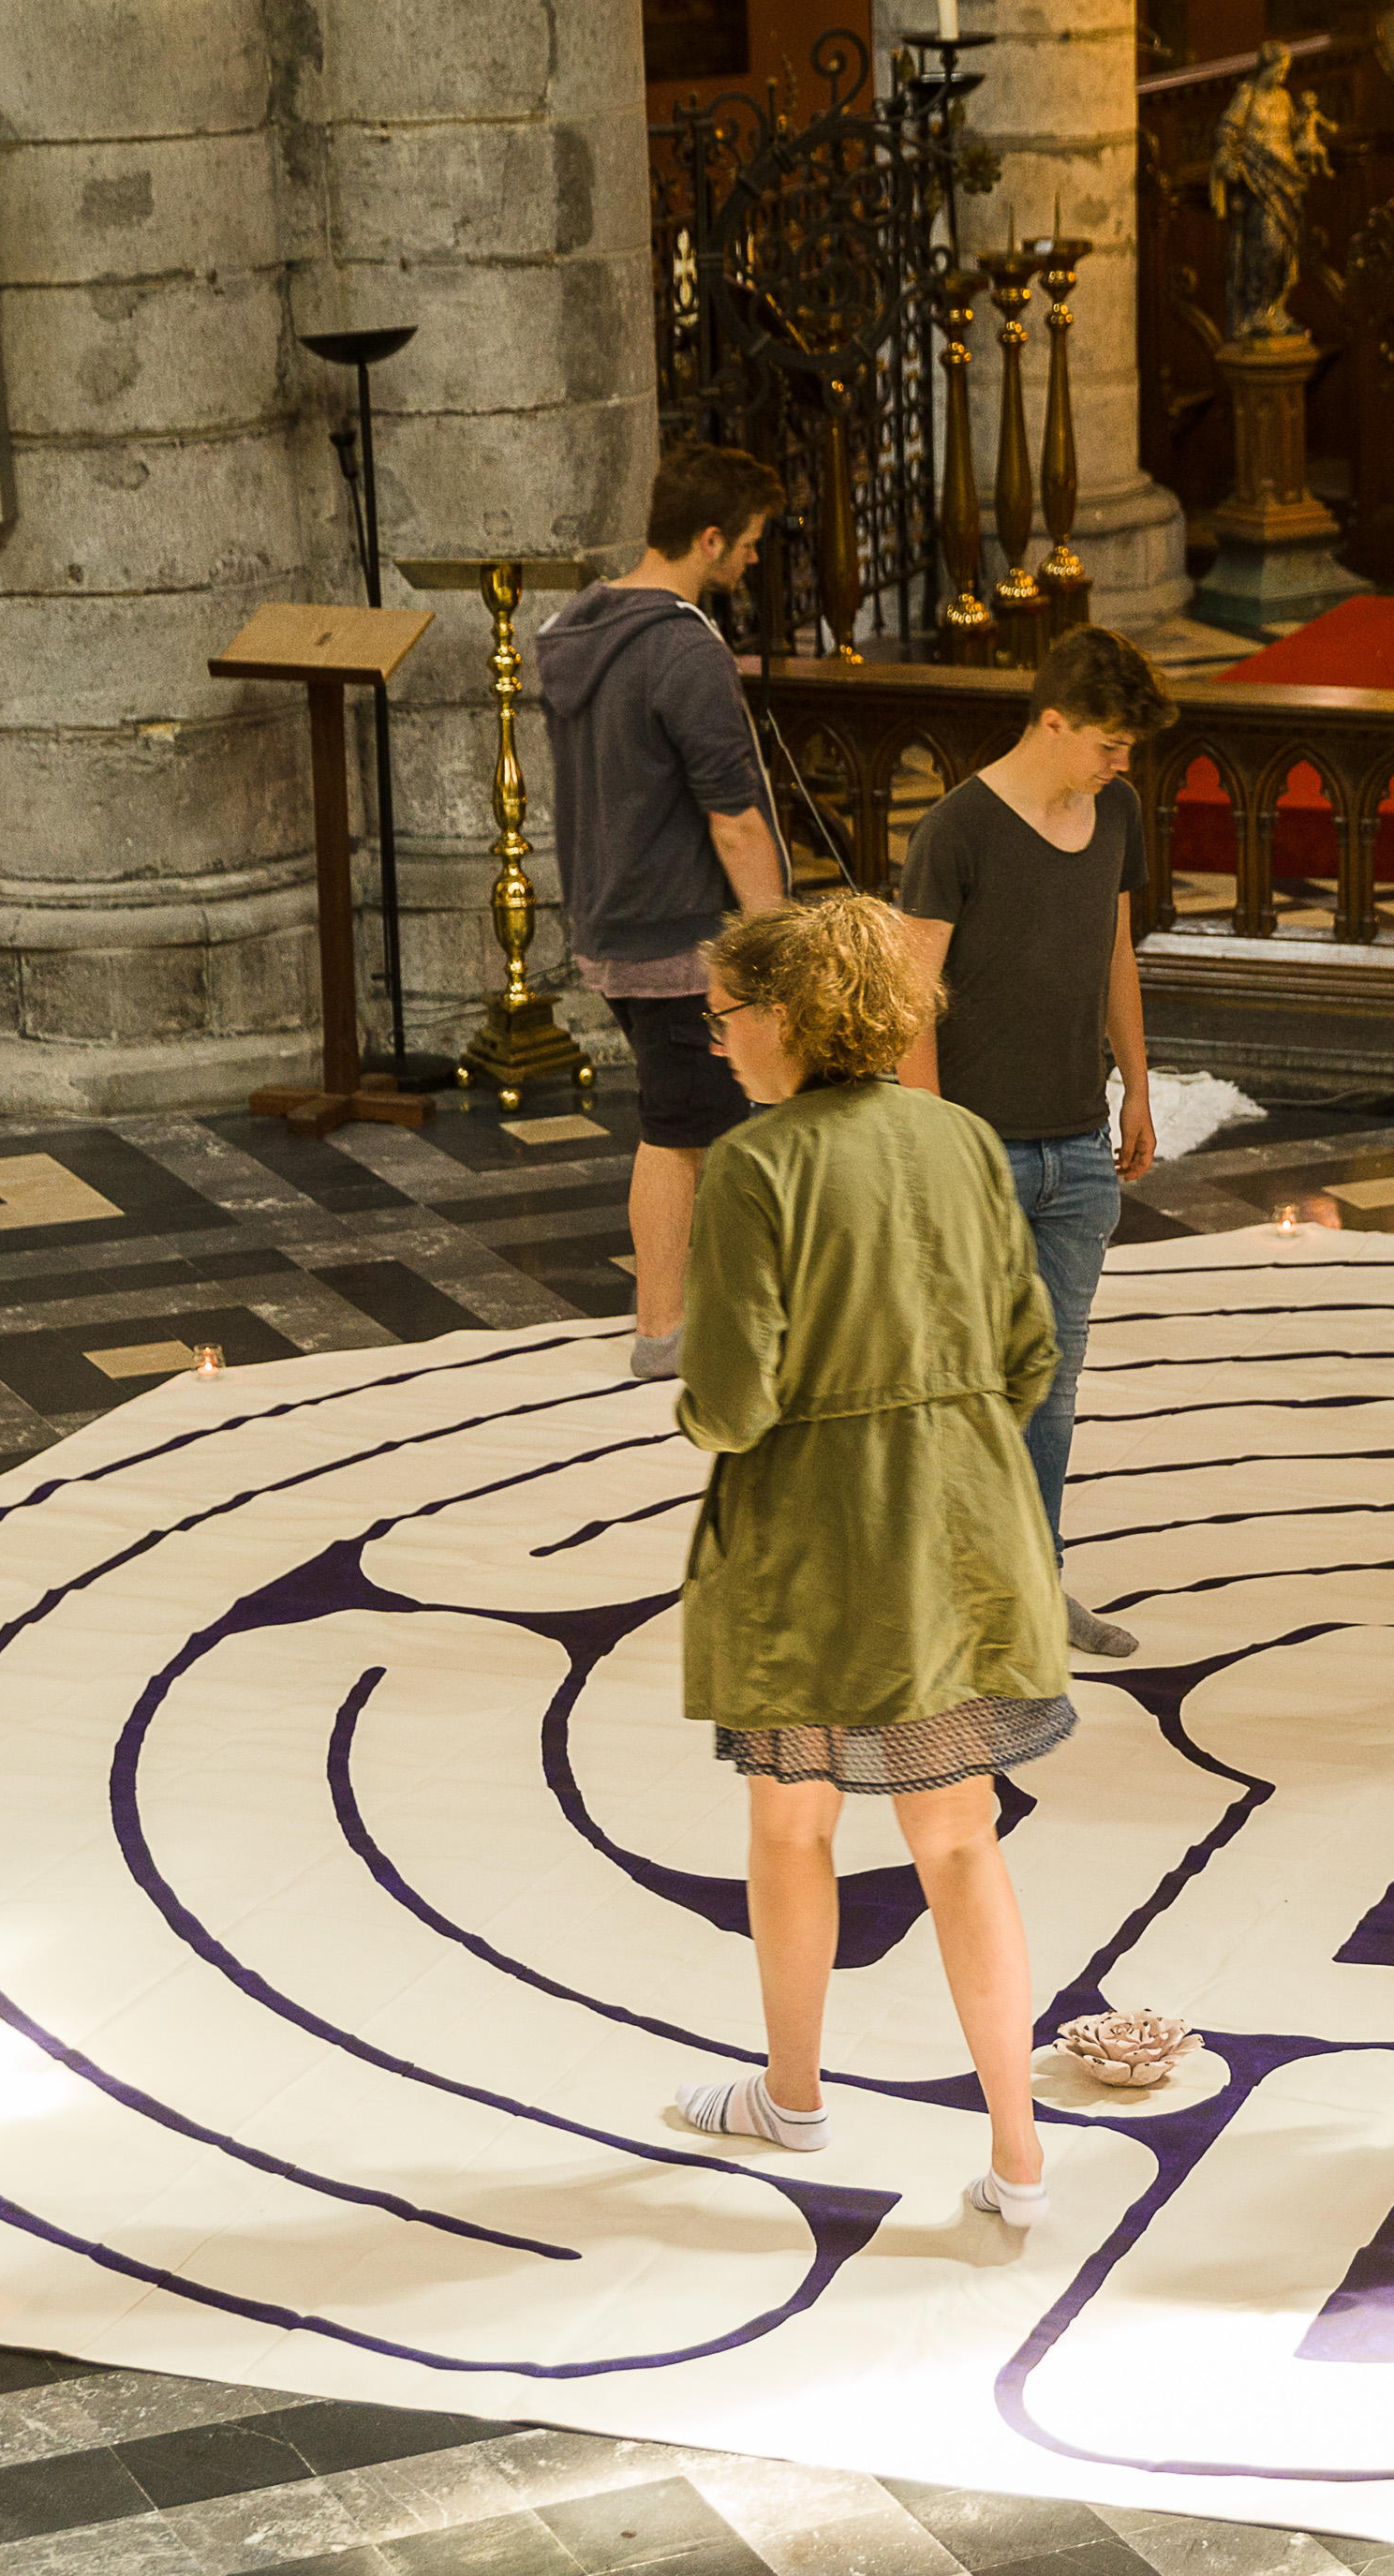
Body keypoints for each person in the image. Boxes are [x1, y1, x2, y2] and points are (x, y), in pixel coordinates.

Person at [667, 894, 1066, 2231]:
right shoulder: (959, 1139)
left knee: (793, 1820)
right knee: (959, 1842)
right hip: (958, 1534)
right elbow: (1028, 1355)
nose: (717, 1045)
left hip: (812, 1548)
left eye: (725, 1018)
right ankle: (1017, 2153)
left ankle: (793, 2093)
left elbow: (729, 1402)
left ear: (782, 1017)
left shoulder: (752, 1166)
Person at [897, 625, 1184, 1660]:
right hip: (976, 1156)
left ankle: (1030, 1590)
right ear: (1051, 721)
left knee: (1050, 1392)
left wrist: (1139, 1083)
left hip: (1077, 1151)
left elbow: (1112, 945)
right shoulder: (956, 831)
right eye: (1108, 743)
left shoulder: (1115, 810)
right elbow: (906, 998)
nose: (1122, 764)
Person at [535, 436, 792, 1383]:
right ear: (710, 537)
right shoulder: (680, 650)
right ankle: (665, 1334)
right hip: (689, 940)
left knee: (694, 1124)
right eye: (751, 543)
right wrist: (773, 946)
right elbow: (732, 816)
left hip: (615, 925)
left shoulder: (579, 629)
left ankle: (700, 1318)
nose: (755, 560)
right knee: (689, 1133)